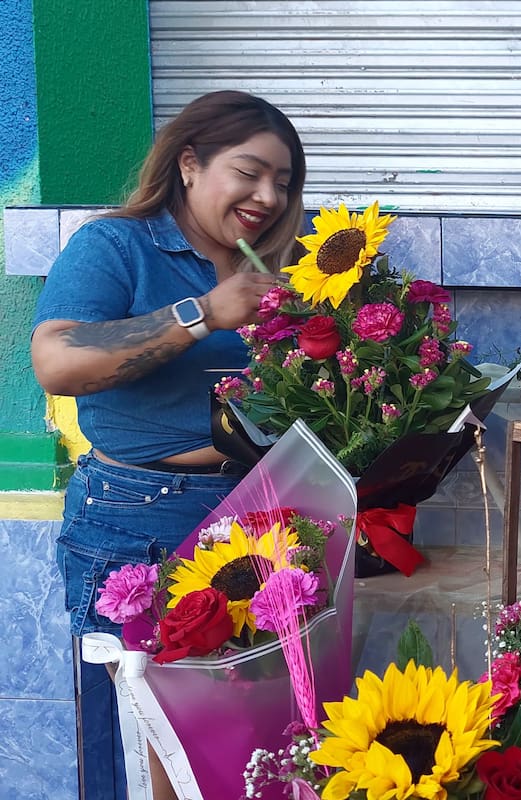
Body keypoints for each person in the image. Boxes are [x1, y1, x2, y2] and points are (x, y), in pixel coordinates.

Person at [30, 90, 306, 800]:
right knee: (156, 754)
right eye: (248, 172)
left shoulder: (285, 263)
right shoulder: (117, 246)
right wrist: (203, 313)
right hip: (141, 517)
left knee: (244, 754)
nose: (268, 196)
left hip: (262, 518)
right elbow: (57, 361)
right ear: (189, 164)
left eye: (282, 181)